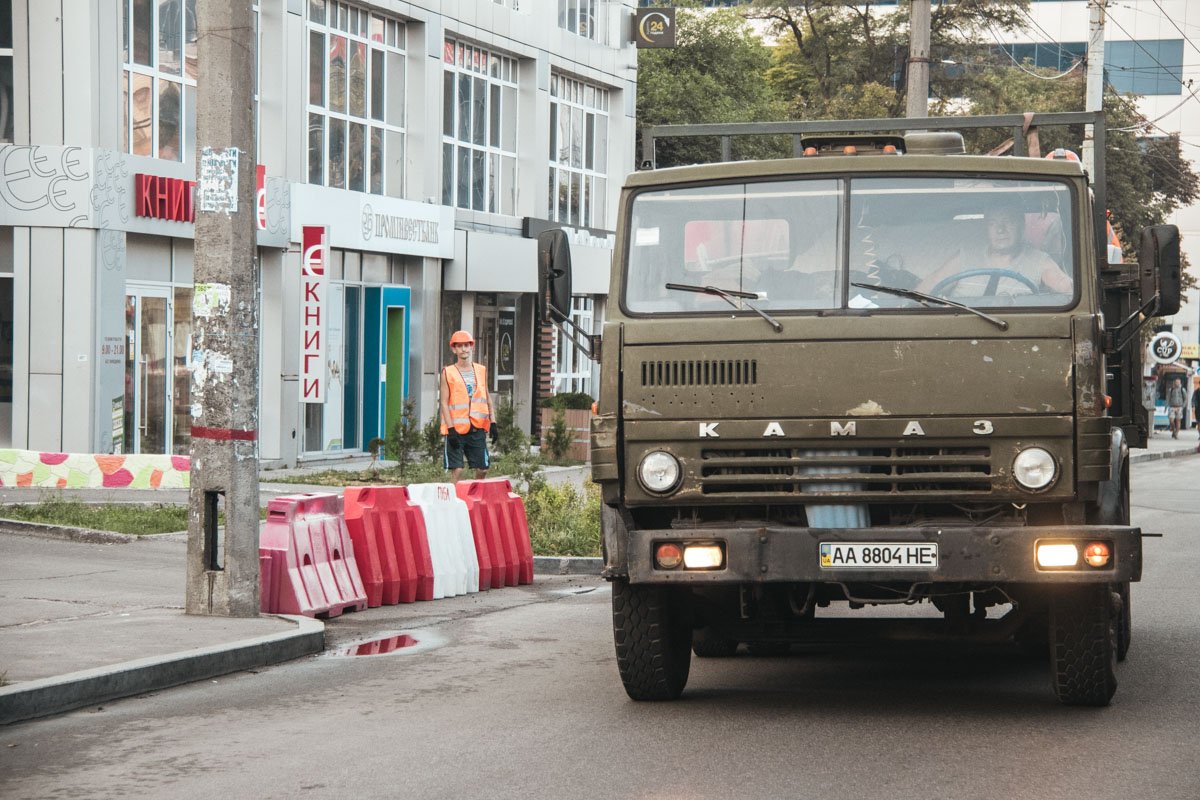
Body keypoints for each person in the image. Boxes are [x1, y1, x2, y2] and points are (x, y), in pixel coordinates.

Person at [919, 200, 1073, 297]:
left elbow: (1066, 288)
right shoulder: (966, 257)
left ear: (1021, 225)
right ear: (986, 228)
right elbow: (926, 290)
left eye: (1008, 222)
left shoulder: (1039, 260)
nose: (1000, 230)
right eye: (993, 223)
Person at [439, 329, 497, 482]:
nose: (464, 349)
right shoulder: (448, 372)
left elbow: (486, 396)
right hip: (456, 429)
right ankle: (452, 501)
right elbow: (444, 402)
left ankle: (474, 498)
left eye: (467, 345)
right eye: (460, 346)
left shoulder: (480, 370)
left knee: (483, 469)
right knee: (457, 470)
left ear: (472, 347)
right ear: (454, 349)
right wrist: (450, 429)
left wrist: (493, 422)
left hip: (476, 427)